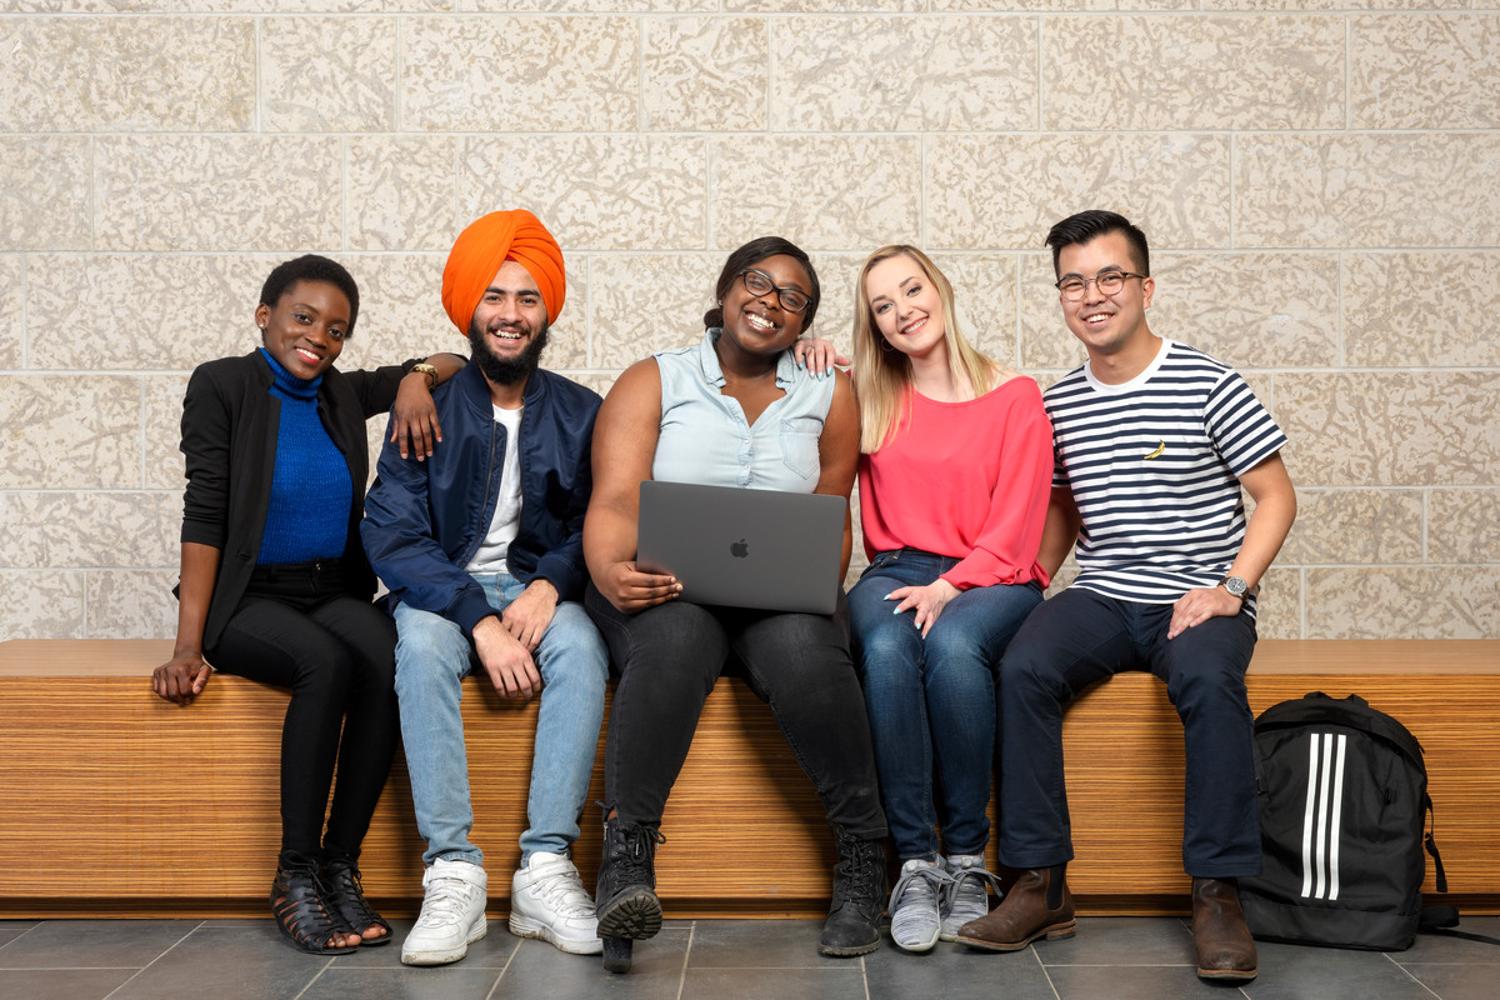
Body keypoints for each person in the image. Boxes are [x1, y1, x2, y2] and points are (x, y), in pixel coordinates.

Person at [957, 210, 1297, 983]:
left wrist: (1231, 588)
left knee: (1211, 681)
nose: (1092, 295)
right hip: (1106, 593)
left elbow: (1275, 497)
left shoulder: (1208, 380)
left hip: (1197, 597)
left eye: (1110, 277)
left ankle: (1216, 893)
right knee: (1023, 667)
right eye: (1073, 282)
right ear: (1062, 297)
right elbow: (1063, 511)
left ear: (1144, 287)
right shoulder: (1059, 402)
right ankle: (1040, 883)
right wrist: (1027, 586)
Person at [582, 237, 889, 972]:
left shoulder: (830, 389)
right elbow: (617, 496)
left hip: (779, 591)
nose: (771, 301)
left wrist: (814, 583)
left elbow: (830, 505)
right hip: (672, 587)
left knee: (809, 656)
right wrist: (609, 570)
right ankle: (626, 862)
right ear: (725, 290)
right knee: (673, 644)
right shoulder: (654, 378)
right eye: (758, 282)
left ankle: (863, 854)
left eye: (793, 297)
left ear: (804, 320)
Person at [151, 254, 465, 955]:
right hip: (247, 597)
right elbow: (204, 514)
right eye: (303, 318)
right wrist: (186, 645)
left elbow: (457, 360)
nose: (318, 337)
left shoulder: (340, 393)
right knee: (323, 664)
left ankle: (339, 866)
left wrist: (416, 378)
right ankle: (294, 873)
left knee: (389, 658)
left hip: (329, 588)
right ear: (265, 316)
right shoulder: (222, 384)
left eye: (337, 329)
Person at [360, 210, 610, 966]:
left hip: (541, 587)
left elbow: (601, 520)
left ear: (547, 313)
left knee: (584, 644)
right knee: (424, 647)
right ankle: (453, 874)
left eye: (528, 299)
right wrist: (478, 617)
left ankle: (545, 867)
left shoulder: (581, 411)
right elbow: (392, 533)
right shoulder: (426, 405)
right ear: (470, 308)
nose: (510, 314)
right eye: (495, 296)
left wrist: (548, 588)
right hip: (443, 590)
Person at [846, 245, 1052, 952]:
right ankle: (914, 862)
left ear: (940, 288)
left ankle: (967, 858)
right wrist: (809, 351)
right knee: (883, 643)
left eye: (911, 289)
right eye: (882, 305)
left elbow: (1022, 521)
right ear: (874, 326)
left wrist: (951, 585)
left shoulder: (1015, 393)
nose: (903, 309)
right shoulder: (872, 395)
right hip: (897, 566)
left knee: (957, 647)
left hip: (995, 571)